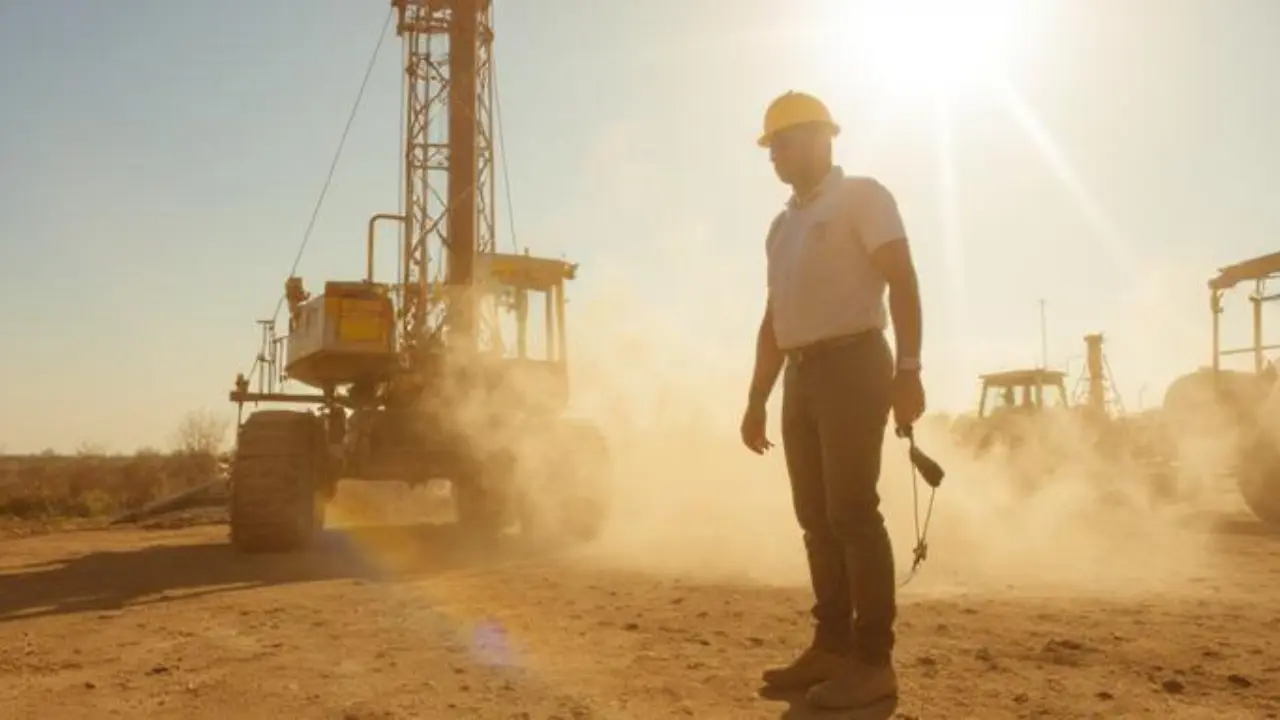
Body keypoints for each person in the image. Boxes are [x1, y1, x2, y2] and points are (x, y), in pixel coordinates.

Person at [739, 90, 927, 710]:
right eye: (770, 148)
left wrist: (909, 370)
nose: (774, 157)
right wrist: (757, 397)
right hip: (801, 373)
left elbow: (902, 279)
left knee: (851, 513)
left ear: (822, 138)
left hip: (854, 362)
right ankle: (832, 647)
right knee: (815, 520)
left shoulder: (863, 198)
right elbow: (774, 317)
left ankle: (873, 663)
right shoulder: (781, 226)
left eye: (782, 143)